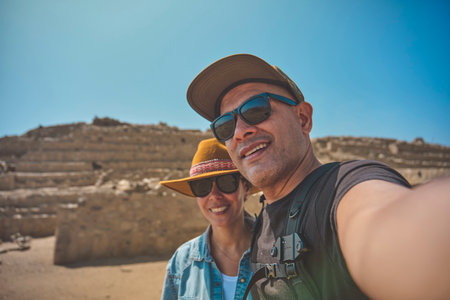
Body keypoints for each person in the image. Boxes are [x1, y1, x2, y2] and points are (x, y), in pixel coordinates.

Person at [185, 54, 450, 299]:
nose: (241, 131)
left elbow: (393, 229)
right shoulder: (262, 222)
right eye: (225, 126)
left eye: (255, 109)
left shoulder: (343, 190)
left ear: (302, 118)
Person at [160, 138, 258, 300]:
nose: (214, 196)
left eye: (226, 182)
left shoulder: (277, 252)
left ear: (245, 187)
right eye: (202, 186)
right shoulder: (181, 262)